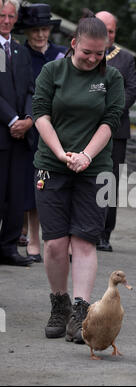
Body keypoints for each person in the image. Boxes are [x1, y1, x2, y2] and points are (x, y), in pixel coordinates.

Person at [32, 11, 125, 343]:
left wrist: (86, 154)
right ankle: (60, 304)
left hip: (95, 168)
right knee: (56, 242)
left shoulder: (111, 77)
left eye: (99, 53)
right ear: (73, 44)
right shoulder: (52, 71)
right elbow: (40, 112)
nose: (92, 59)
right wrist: (60, 153)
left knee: (84, 240)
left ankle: (81, 311)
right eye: (87, 52)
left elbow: (111, 119)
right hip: (52, 164)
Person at [13, 3, 67, 263]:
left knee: (62, 184)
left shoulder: (61, 54)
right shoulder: (18, 53)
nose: (40, 35)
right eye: (35, 30)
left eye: (44, 29)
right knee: (34, 184)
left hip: (60, 129)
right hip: (30, 129)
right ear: (27, 31)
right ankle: (33, 237)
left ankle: (59, 239)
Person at [95, 11, 136, 252]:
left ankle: (104, 233)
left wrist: (110, 113)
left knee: (109, 183)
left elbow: (131, 91)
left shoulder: (125, 58)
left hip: (116, 131)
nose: (107, 35)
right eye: (103, 29)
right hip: (86, 130)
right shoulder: (87, 53)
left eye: (111, 31)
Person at [0, 0, 35, 266]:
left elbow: (31, 90)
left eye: (11, 16)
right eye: (2, 15)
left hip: (21, 136)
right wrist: (12, 119)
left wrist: (27, 120)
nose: (7, 20)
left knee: (16, 195)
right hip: (2, 132)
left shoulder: (20, 51)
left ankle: (9, 247)